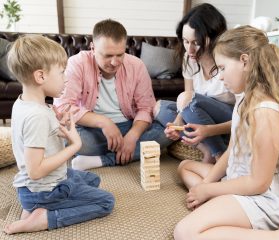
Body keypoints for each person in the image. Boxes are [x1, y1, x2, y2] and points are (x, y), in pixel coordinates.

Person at [173, 25, 279, 240]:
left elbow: (259, 183)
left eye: (222, 68)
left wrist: (209, 191)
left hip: (261, 199)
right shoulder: (244, 99)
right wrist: (206, 186)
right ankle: (221, 202)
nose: (220, 77)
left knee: (185, 232)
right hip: (237, 181)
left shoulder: (265, 112)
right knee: (185, 166)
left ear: (244, 61)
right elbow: (232, 150)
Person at [4, 35, 114, 234]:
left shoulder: (25, 103)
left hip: (40, 185)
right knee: (106, 202)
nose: (66, 78)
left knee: (92, 180)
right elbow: (35, 171)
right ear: (40, 77)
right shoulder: (36, 116)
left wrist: (57, 125)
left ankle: (32, 209)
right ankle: (44, 217)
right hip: (43, 189)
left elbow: (37, 139)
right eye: (62, 72)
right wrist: (74, 146)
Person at [54, 19, 170, 171]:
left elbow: (146, 107)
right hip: (91, 129)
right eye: (108, 55)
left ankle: (102, 160)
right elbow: (63, 107)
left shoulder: (136, 65)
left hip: (128, 126)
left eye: (120, 55)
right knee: (65, 138)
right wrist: (104, 122)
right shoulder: (77, 63)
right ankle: (135, 151)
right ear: (93, 48)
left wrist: (133, 136)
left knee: (168, 132)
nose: (115, 62)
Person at [154, 3, 235, 163]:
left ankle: (219, 155)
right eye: (185, 41)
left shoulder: (229, 62)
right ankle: (207, 149)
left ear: (213, 39)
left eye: (196, 43)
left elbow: (246, 118)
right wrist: (177, 124)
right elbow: (186, 102)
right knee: (159, 108)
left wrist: (210, 130)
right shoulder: (189, 60)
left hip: (228, 121)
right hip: (196, 113)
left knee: (190, 100)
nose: (189, 50)